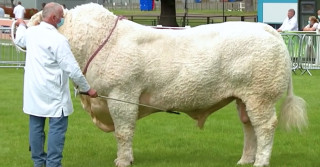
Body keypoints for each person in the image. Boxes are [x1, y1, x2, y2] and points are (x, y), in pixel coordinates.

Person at [14, 2, 97, 167]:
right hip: (53, 92)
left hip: (34, 91)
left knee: (36, 127)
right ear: (53, 18)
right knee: (56, 129)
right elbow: (73, 70)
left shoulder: (31, 33)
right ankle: (53, 164)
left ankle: (39, 163)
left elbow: (19, 37)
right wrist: (88, 89)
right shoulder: (58, 40)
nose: (62, 21)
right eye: (61, 18)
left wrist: (22, 24)